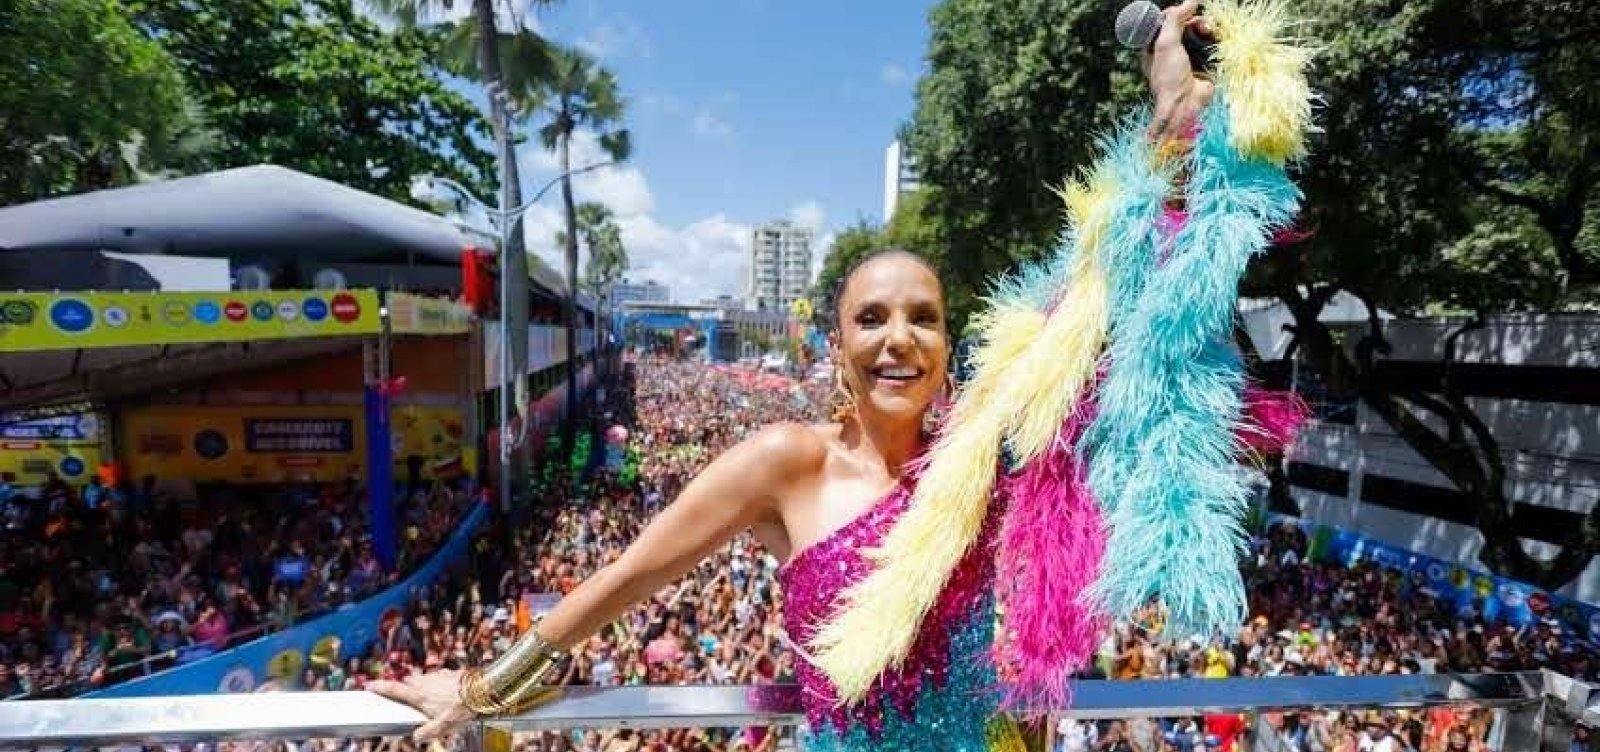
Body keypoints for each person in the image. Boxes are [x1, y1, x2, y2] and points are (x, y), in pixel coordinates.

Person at [369, 1, 1216, 748]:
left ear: (949, 340)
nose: (900, 339)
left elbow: (1089, 299)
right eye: (872, 318)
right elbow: (631, 575)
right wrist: (484, 691)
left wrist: (1169, 119)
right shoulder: (786, 461)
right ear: (837, 343)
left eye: (923, 317)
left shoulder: (977, 452)